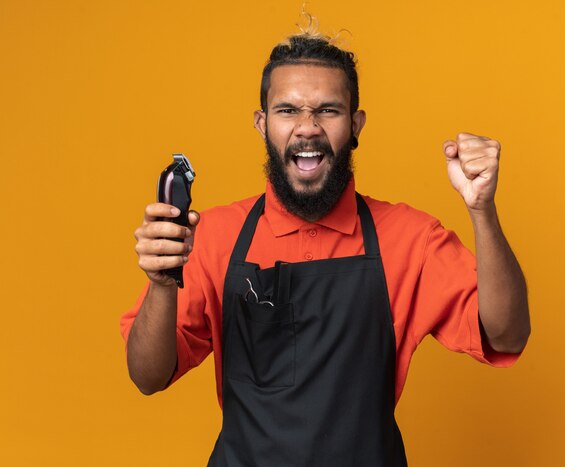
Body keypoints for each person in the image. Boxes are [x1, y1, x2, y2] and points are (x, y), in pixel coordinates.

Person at [121, 29, 530, 467]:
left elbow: (506, 334)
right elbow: (148, 375)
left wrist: (482, 210)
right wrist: (163, 283)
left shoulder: (411, 239)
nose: (307, 128)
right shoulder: (215, 235)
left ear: (355, 125)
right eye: (287, 110)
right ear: (262, 124)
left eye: (328, 110)